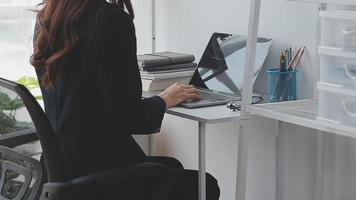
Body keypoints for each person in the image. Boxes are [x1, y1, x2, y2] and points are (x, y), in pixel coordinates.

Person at [30, 0, 220, 199]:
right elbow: (128, 117)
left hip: (60, 168)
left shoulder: (48, 17)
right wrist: (163, 99)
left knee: (172, 167)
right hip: (99, 174)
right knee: (205, 186)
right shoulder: (110, 20)